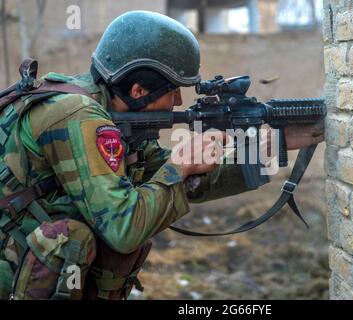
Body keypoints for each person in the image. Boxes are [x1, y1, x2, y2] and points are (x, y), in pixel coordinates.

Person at [0, 11, 324, 300]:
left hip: (34, 270)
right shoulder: (76, 117)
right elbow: (124, 229)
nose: (179, 100)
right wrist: (179, 166)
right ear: (138, 90)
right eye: (173, 90)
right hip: (11, 276)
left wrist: (277, 145)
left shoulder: (118, 118)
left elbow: (193, 186)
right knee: (78, 238)